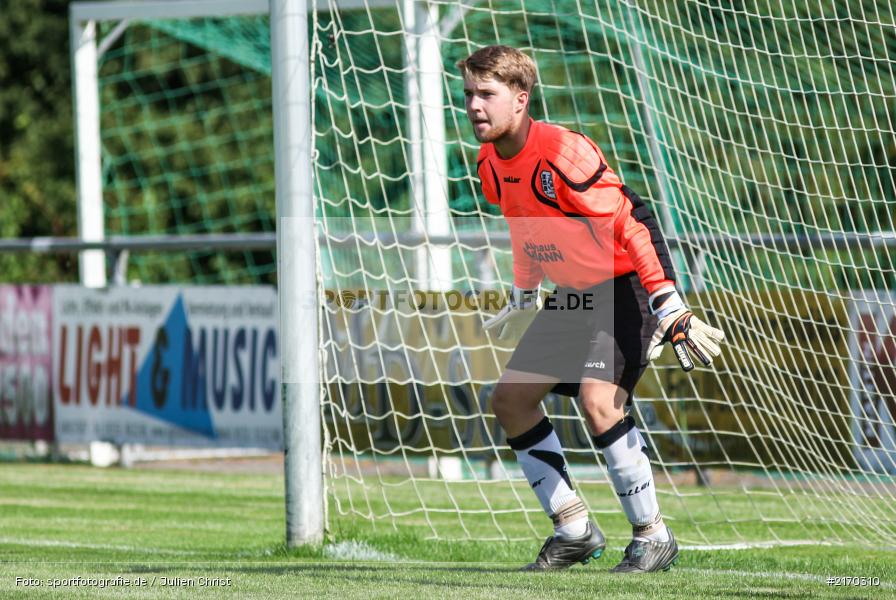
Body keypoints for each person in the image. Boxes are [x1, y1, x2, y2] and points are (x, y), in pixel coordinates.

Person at [457, 45, 725, 573]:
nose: (473, 106)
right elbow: (527, 226)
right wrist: (524, 292)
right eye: (467, 94)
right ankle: (574, 529)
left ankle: (653, 536)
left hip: (626, 282)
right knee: (510, 400)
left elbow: (631, 225)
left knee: (598, 401)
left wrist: (665, 300)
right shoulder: (490, 163)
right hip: (576, 294)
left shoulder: (564, 151)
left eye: (486, 94)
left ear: (520, 98)